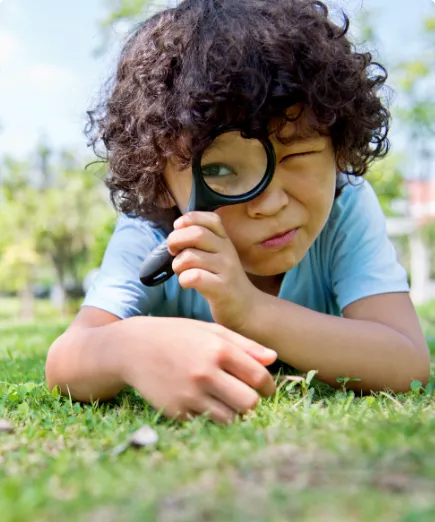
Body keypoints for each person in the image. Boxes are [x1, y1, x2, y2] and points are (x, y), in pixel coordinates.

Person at [46, 0, 430, 424]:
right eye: (219, 170)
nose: (269, 203)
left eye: (298, 153)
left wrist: (250, 310)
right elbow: (66, 360)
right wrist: (128, 347)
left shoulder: (347, 205)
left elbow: (407, 362)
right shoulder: (152, 233)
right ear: (159, 181)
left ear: (340, 148)